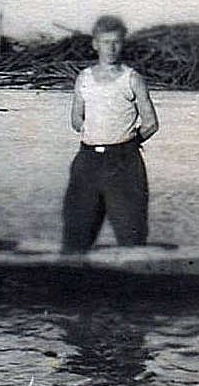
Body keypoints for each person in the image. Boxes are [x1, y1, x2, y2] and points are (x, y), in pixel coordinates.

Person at [61, 15, 160, 253]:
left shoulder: (132, 79)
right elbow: (76, 120)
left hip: (124, 164)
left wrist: (127, 142)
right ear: (95, 44)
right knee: (76, 234)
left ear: (122, 43)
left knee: (131, 235)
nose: (111, 48)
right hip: (87, 161)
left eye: (116, 42)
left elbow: (151, 123)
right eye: (106, 42)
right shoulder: (83, 78)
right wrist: (95, 134)